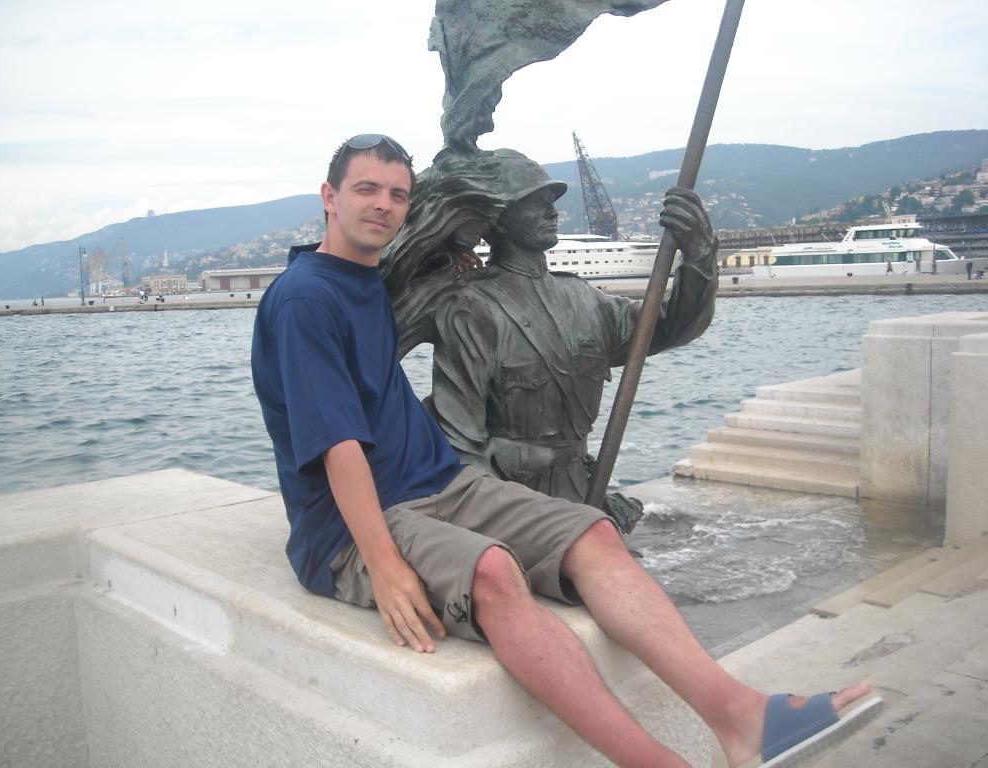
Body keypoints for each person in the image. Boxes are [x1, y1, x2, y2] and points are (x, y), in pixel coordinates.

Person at [251, 134, 881, 768]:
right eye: (366, 190)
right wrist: (384, 566)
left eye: (397, 194)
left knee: (594, 533)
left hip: (439, 482)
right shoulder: (306, 299)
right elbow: (337, 446)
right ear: (329, 196)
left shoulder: (365, 281)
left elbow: (657, 327)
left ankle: (743, 718)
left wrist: (696, 257)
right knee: (494, 572)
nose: (382, 205)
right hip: (351, 524)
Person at [401, 150, 716, 531]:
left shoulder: (586, 299)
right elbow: (461, 445)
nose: (552, 212)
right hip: (510, 503)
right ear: (499, 217)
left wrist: (699, 253)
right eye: (537, 202)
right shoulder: (470, 308)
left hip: (583, 493)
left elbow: (671, 326)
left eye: (552, 202)